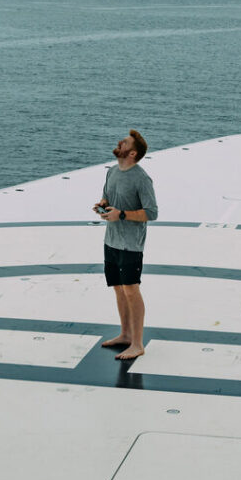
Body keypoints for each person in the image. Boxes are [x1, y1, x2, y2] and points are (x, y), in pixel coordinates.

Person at [93, 129, 158, 360]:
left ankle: (137, 344)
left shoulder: (142, 179)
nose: (119, 142)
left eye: (125, 142)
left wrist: (121, 215)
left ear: (132, 153)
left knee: (131, 289)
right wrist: (102, 205)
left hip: (130, 244)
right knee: (119, 289)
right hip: (111, 240)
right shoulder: (112, 171)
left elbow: (152, 213)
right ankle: (125, 334)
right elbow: (107, 197)